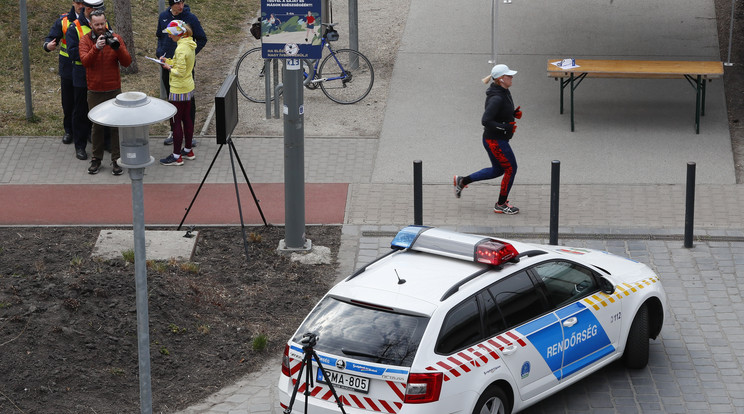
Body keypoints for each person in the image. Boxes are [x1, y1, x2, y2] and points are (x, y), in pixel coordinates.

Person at [453, 64, 522, 215]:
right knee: (511, 168)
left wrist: (512, 114)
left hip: (495, 139)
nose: (512, 77)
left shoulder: (503, 91)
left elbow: (501, 111)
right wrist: (505, 128)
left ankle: (462, 181)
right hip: (495, 141)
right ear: (501, 79)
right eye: (509, 76)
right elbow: (486, 120)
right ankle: (501, 204)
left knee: (498, 170)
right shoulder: (497, 97)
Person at [79, 8, 132, 175]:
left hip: (113, 89)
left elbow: (126, 62)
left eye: (102, 23)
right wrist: (96, 48)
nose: (100, 27)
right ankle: (96, 158)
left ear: (106, 22)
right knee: (97, 126)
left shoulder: (116, 38)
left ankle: (116, 159)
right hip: (94, 90)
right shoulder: (85, 40)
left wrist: (117, 47)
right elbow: (85, 62)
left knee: (116, 125)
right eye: (97, 24)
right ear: (91, 24)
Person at [156, 0, 207, 147]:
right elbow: (160, 36)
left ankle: (189, 135)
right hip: (167, 64)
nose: (180, 6)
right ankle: (174, 131)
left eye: (182, 2)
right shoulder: (163, 17)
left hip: (184, 70)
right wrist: (160, 53)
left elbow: (202, 39)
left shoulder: (190, 18)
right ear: (170, 4)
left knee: (188, 102)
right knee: (172, 99)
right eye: (177, 3)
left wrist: (190, 54)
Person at [43, 0, 85, 155]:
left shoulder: (91, 19)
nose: (81, 6)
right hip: (67, 68)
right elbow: (50, 37)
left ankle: (85, 132)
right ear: (73, 2)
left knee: (83, 102)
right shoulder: (64, 21)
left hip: (84, 67)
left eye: (83, 3)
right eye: (78, 2)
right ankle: (69, 131)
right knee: (68, 102)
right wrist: (47, 46)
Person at [66, 0, 101, 162]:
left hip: (99, 74)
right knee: (80, 111)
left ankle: (101, 141)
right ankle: (80, 146)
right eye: (94, 10)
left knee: (100, 109)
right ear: (87, 9)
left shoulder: (102, 25)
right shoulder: (75, 27)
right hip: (81, 74)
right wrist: (93, 53)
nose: (97, 13)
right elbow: (73, 53)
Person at [158, 20, 196, 166]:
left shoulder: (180, 49)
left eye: (170, 34)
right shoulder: (189, 44)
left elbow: (179, 71)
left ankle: (176, 156)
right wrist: (168, 61)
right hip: (188, 87)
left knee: (175, 123)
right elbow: (182, 64)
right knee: (187, 119)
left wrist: (167, 67)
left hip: (178, 89)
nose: (168, 37)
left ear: (176, 34)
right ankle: (188, 150)